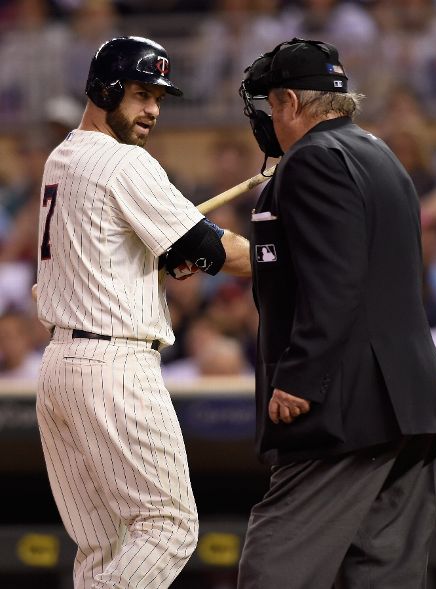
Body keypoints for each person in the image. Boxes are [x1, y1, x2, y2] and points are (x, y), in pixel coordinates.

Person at [237, 38, 436, 589]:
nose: (268, 120)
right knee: (382, 577)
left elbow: (337, 281)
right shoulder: (378, 153)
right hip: (411, 403)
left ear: (290, 102)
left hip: (346, 407)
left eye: (270, 106)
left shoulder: (312, 160)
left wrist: (300, 377)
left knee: (274, 570)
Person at [35, 36, 250, 589]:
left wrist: (165, 259)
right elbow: (215, 249)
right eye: (140, 94)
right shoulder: (123, 160)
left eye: (157, 97)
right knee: (168, 528)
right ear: (104, 89)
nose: (152, 109)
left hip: (61, 366)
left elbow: (131, 248)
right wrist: (289, 256)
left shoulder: (63, 156)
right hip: (113, 366)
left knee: (105, 548)